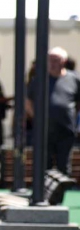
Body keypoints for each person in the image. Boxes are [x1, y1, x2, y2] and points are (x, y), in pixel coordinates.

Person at [27, 47, 80, 175]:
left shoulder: (74, 79)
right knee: (45, 165)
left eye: (56, 60)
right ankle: (45, 194)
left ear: (64, 61)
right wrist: (36, 117)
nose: (52, 63)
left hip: (66, 129)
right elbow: (28, 100)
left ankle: (61, 193)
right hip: (44, 131)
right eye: (50, 60)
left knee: (64, 165)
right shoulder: (39, 80)